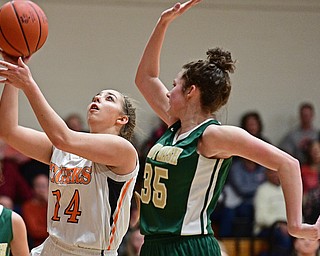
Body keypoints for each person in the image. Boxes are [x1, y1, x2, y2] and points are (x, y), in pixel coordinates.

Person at [134, 1, 320, 255]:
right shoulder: (175, 125)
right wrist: (163, 23)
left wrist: (296, 225)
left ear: (191, 92)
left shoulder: (213, 135)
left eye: (175, 85)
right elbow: (145, 78)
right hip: (154, 245)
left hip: (189, 245)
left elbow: (288, 163)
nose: (169, 91)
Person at [0, 52, 139, 255]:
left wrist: (29, 85)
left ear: (122, 119)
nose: (98, 98)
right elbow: (9, 131)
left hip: (90, 252)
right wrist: (13, 77)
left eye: (109, 98)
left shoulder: (123, 150)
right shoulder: (65, 148)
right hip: (52, 246)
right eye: (96, 96)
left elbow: (63, 138)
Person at [254, 169, 292, 256]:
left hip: (289, 227)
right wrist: (280, 224)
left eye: (278, 172)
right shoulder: (262, 190)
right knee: (283, 237)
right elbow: (260, 218)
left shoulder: (288, 189)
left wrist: (289, 226)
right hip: (267, 229)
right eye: (272, 172)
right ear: (266, 174)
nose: (275, 175)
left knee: (303, 238)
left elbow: (299, 215)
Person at [22, 173, 49, 247]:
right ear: (32, 189)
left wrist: (49, 202)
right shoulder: (28, 206)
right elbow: (34, 231)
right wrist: (54, 233)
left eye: (44, 186)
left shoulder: (54, 205)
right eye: (38, 186)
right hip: (37, 246)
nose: (41, 190)